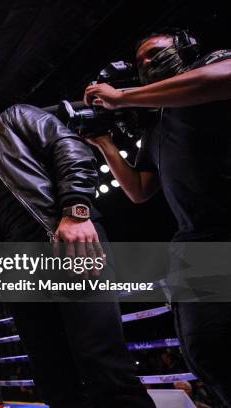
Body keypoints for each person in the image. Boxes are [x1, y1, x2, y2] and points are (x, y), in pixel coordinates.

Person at [0, 94, 155, 408]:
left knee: (104, 364)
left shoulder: (14, 118)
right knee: (54, 380)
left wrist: (76, 210)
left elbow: (68, 146)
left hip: (65, 245)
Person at [83, 30, 231, 405]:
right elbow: (138, 190)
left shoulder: (210, 64)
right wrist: (104, 143)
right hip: (200, 240)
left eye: (154, 53)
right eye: (140, 63)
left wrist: (121, 97)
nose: (146, 63)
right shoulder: (156, 123)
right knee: (209, 347)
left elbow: (222, 79)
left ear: (184, 47)